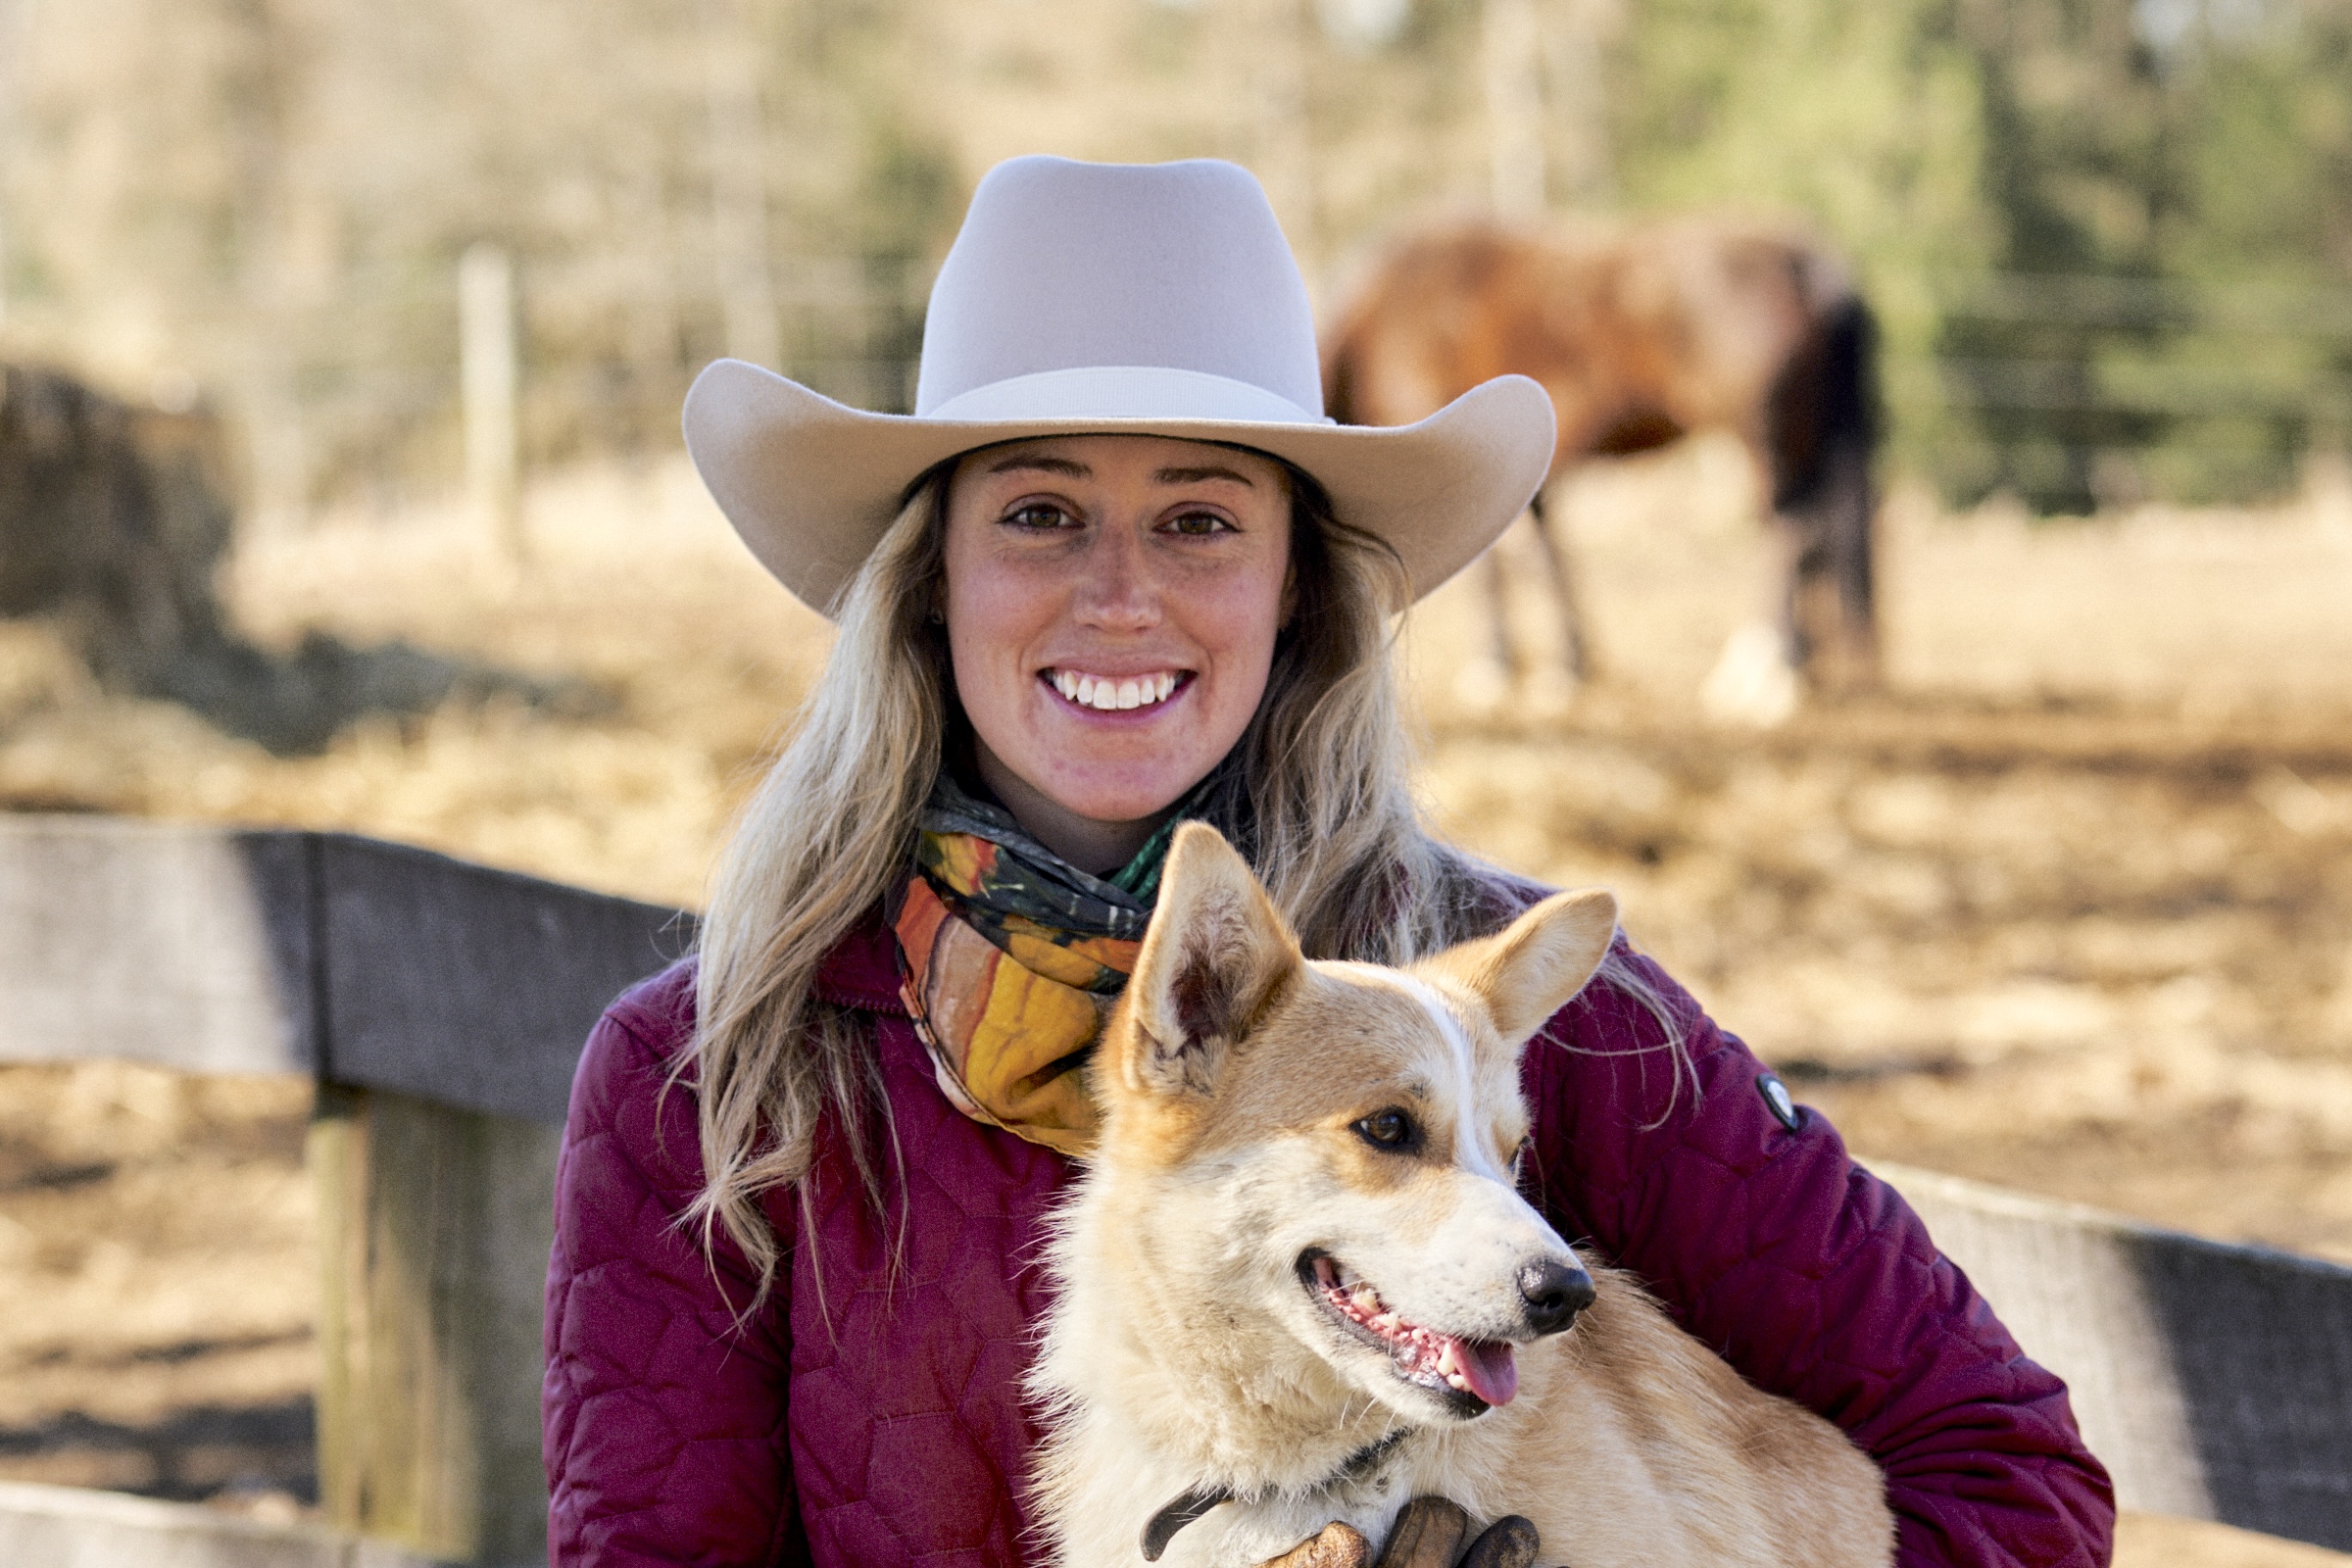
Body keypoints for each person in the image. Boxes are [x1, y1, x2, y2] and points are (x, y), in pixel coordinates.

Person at [541, 156, 2114, 1568]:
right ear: (926, 582)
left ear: (1296, 585)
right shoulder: (713, 1076)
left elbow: (2013, 1474)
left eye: (1202, 521)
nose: (1118, 596)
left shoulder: (1525, 1002)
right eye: (1037, 512)